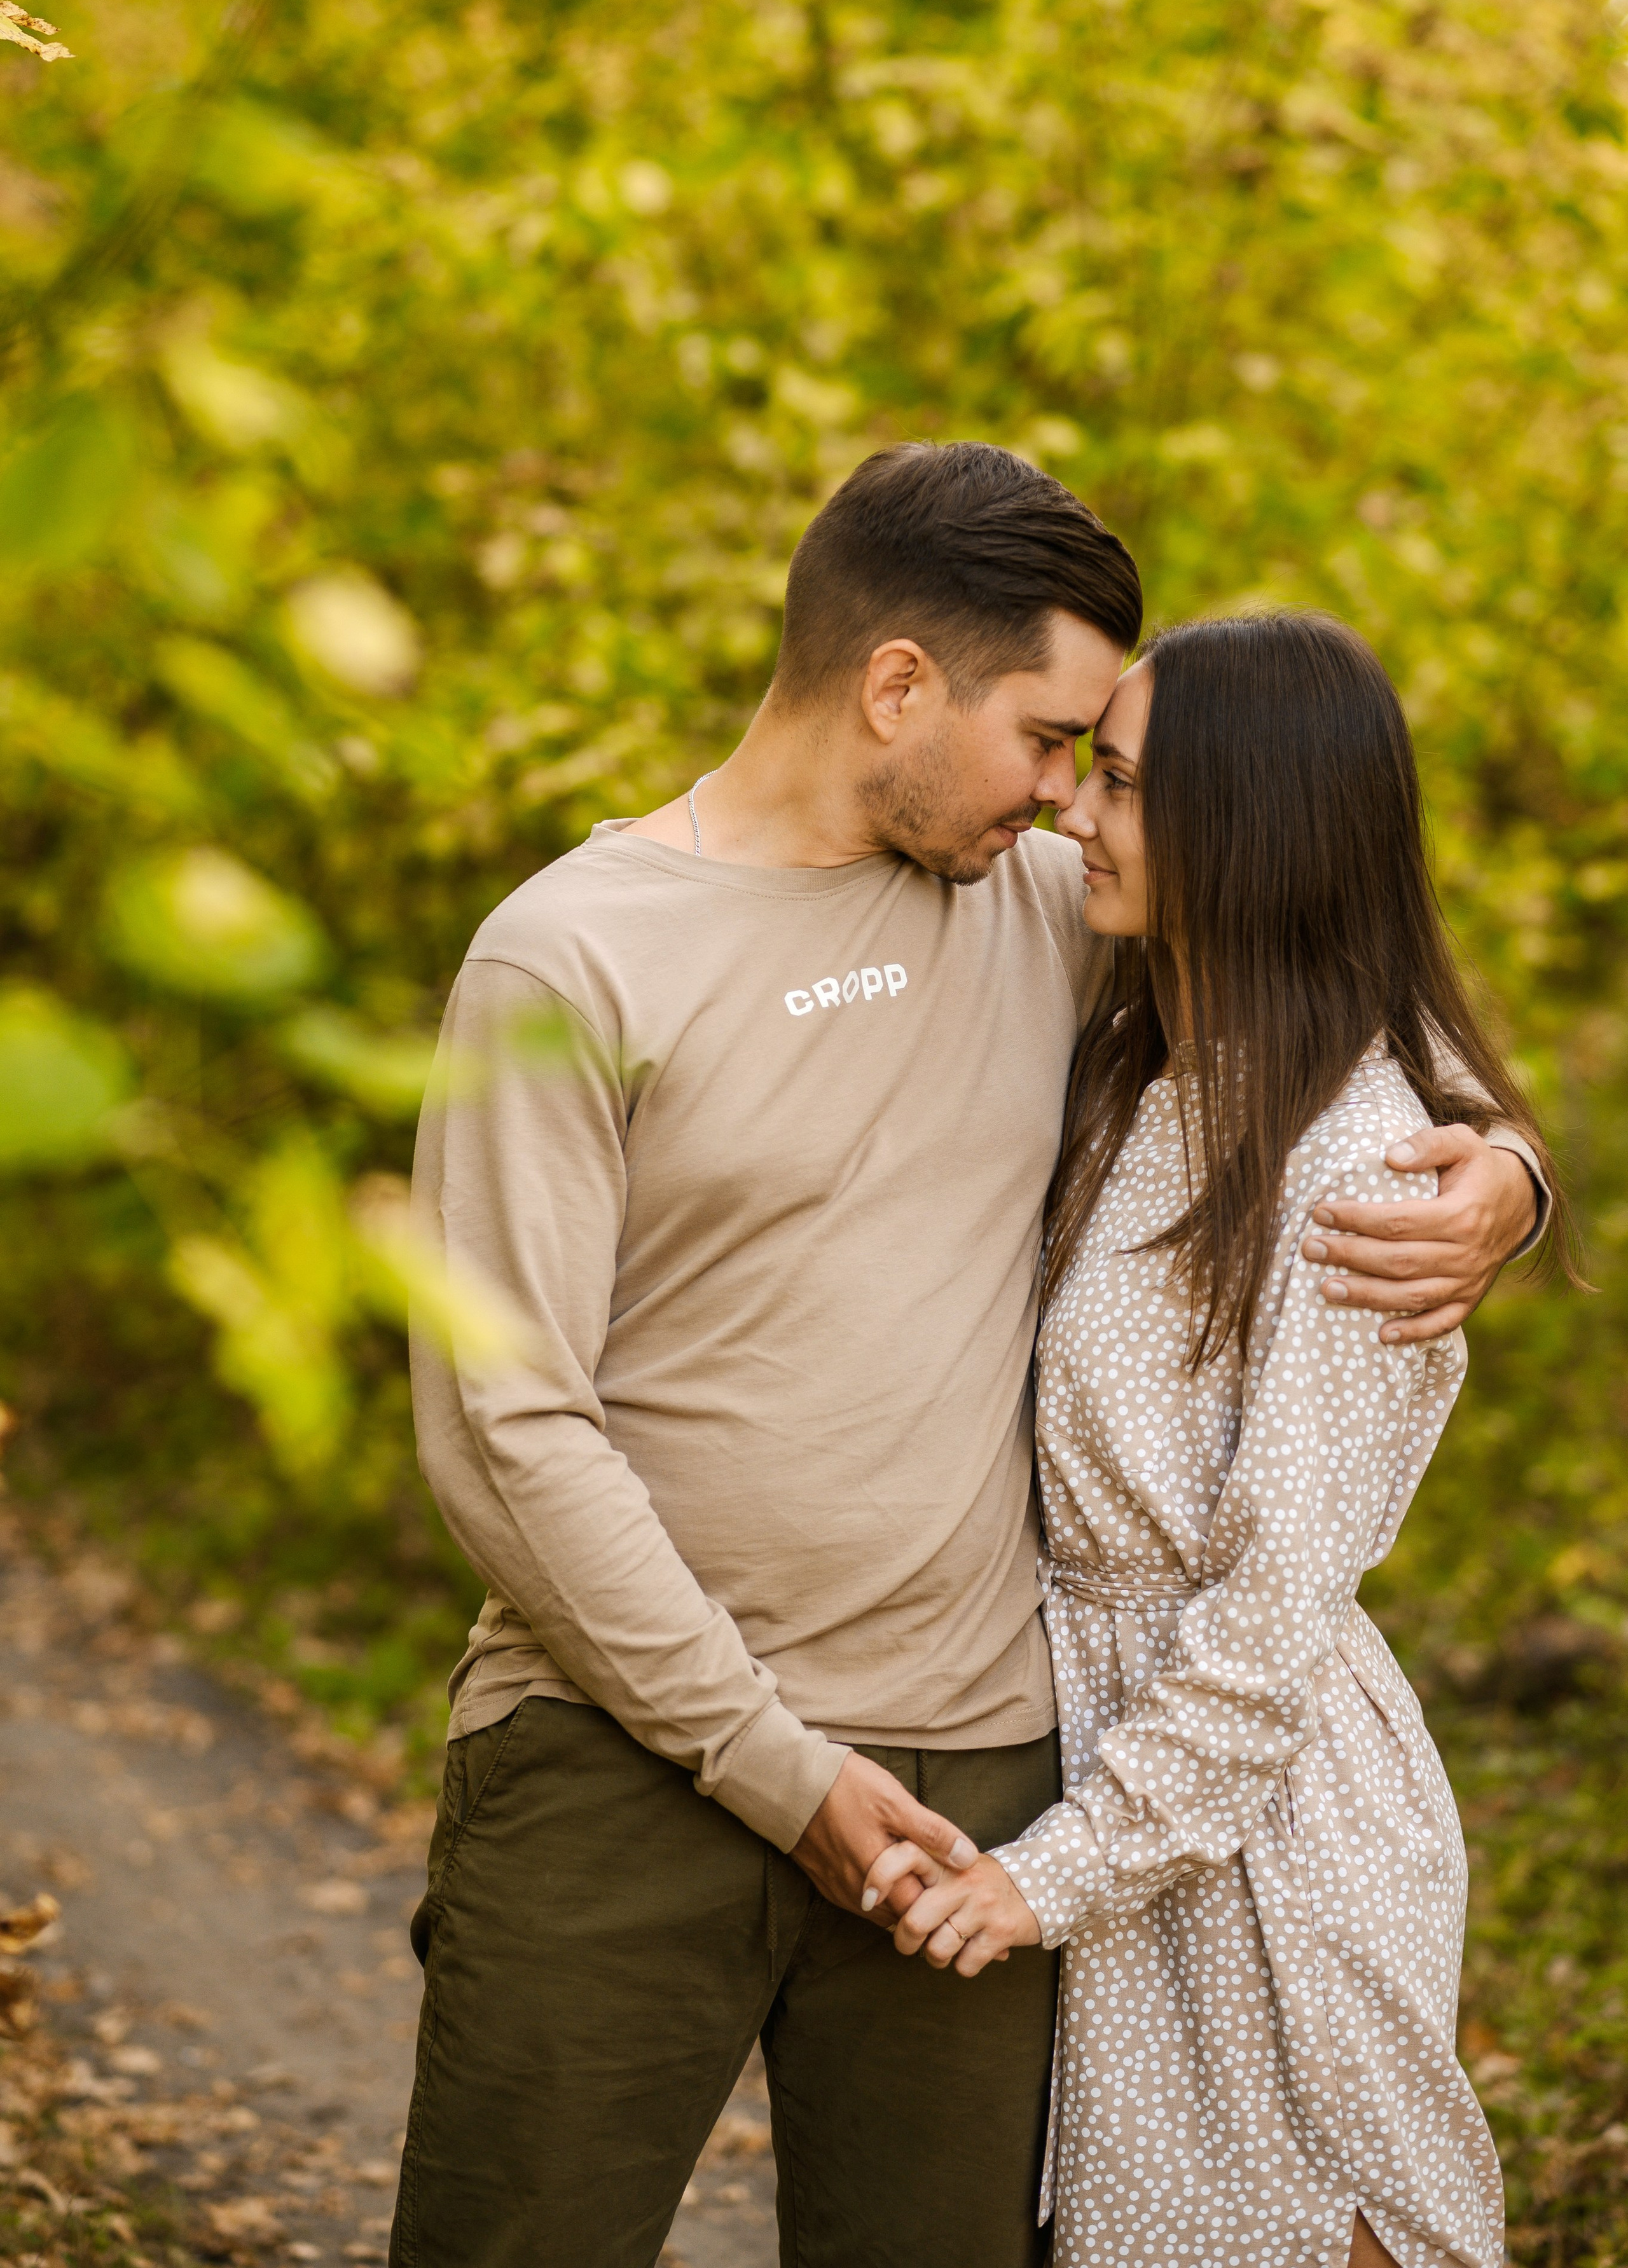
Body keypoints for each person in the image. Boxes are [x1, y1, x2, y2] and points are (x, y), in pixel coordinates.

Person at [390, 450, 1543, 2268]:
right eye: (1051, 738)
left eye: (1103, 761)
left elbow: (1317, 980)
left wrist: (1504, 1171)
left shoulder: (1032, 902)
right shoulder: (569, 961)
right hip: (620, 1750)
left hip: (989, 1770)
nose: (1074, 798)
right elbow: (504, 1424)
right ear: (900, 685)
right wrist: (769, 1762)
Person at [863, 611, 1571, 2268]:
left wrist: (1053, 1876)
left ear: (1247, 829)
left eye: (1116, 783)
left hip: (1263, 1850)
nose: (1073, 816)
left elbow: (1263, 1634)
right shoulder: (1154, 1054)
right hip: (1130, 1799)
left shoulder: (1364, 1172)